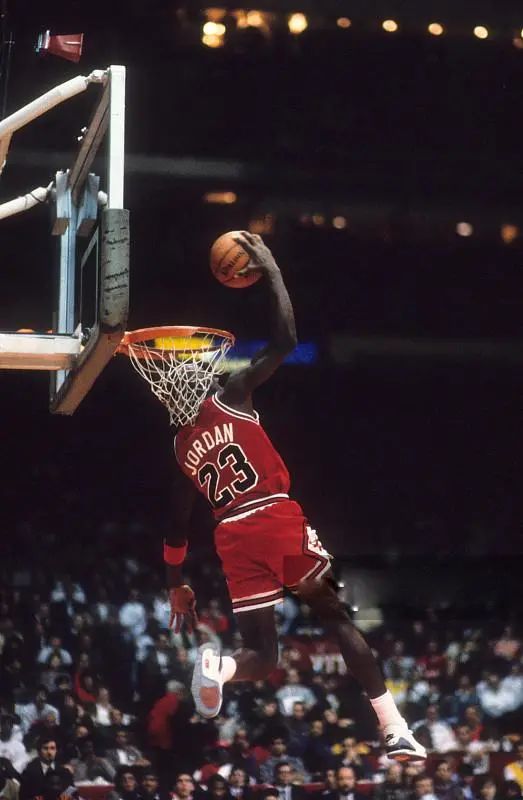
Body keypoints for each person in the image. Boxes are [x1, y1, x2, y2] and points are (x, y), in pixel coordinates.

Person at [162, 232, 426, 761]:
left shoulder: (181, 447)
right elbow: (285, 340)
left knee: (262, 653)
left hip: (231, 536)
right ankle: (394, 728)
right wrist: (273, 270)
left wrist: (175, 585)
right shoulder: (231, 396)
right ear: (204, 381)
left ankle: (220, 667)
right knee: (336, 617)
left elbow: (175, 525)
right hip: (272, 517)